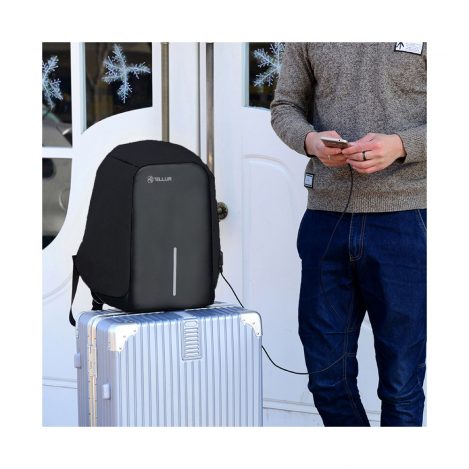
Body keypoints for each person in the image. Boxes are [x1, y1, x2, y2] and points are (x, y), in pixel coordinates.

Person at [270, 42, 426, 427]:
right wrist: (310, 141)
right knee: (326, 380)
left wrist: (401, 145)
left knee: (401, 386)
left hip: (406, 219)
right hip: (326, 218)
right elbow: (285, 106)